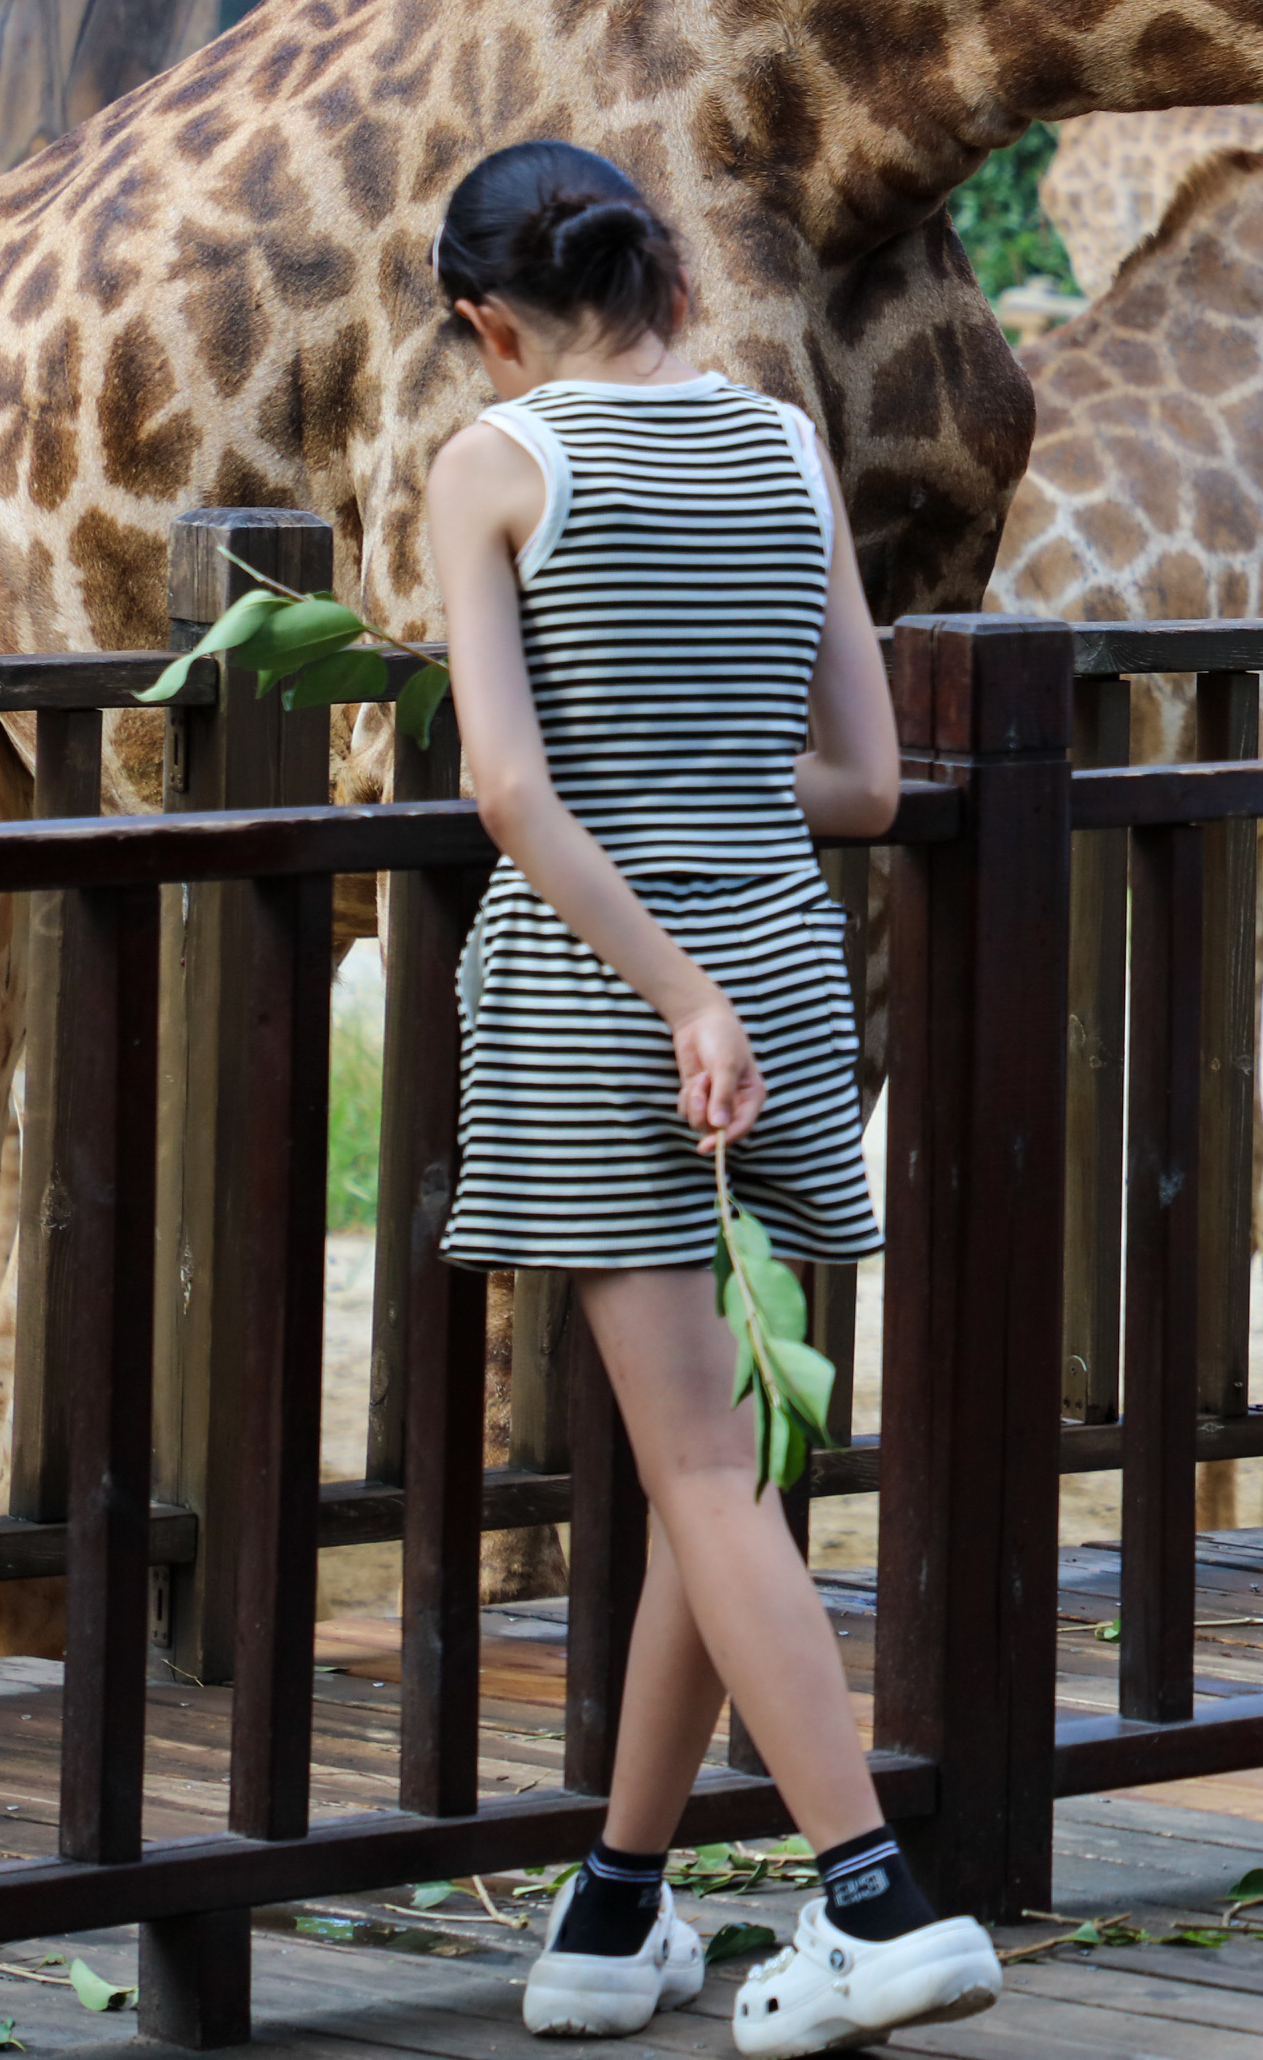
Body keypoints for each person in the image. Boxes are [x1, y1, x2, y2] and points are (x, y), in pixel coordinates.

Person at [426, 142, 1003, 2051]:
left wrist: (669, 984)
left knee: (700, 1466)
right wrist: (722, 831)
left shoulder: (497, 467)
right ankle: (613, 1912)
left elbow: (512, 796)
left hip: (624, 1007)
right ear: (666, 279)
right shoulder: (779, 449)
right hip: (780, 975)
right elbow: (864, 782)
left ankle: (875, 1901)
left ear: (486, 322)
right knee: (724, 1465)